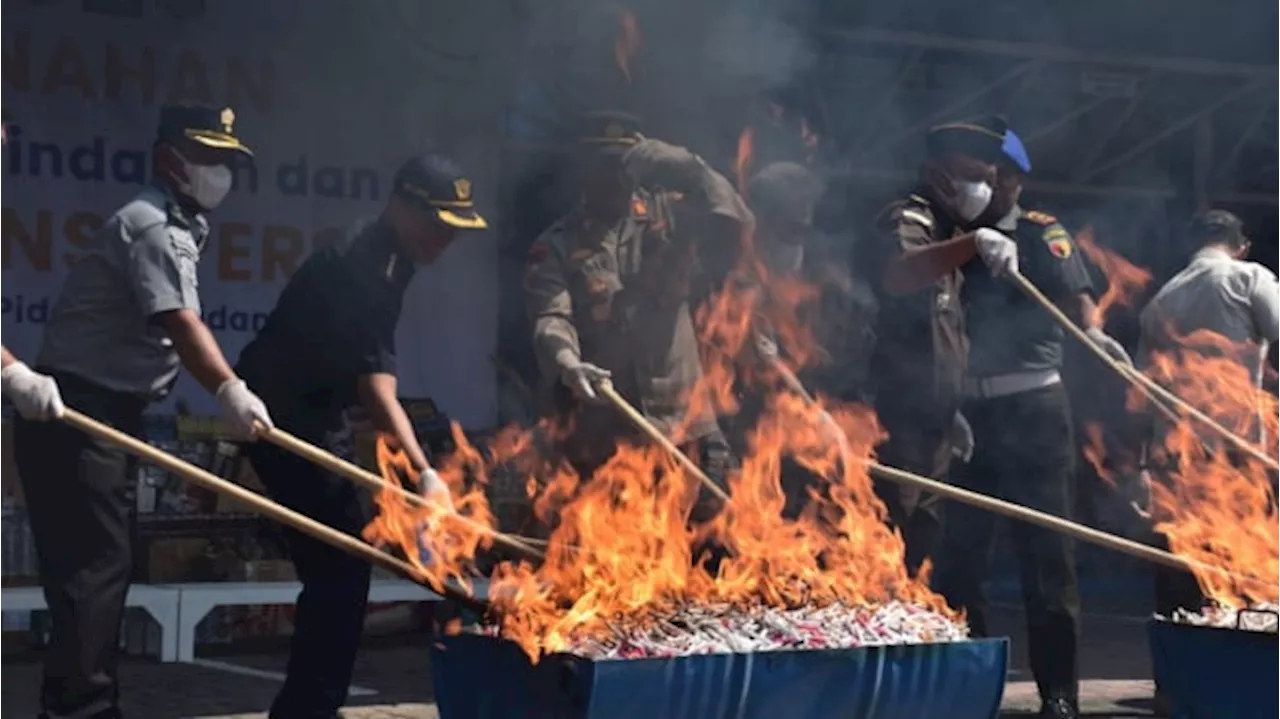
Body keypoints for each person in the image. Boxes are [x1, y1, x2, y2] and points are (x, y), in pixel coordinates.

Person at [11, 104, 272, 719]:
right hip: (75, 411)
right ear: (167, 158)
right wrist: (229, 389)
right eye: (207, 158)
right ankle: (81, 709)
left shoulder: (179, 224)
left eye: (228, 161)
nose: (220, 172)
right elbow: (180, 323)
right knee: (93, 573)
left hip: (107, 413)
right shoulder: (151, 225)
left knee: (102, 569)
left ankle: (83, 701)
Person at [233, 153, 482, 717]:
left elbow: (376, 378)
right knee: (340, 567)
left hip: (320, 413)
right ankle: (308, 711)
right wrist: (423, 476)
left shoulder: (397, 258)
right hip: (280, 415)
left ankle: (310, 707)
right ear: (401, 206)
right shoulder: (361, 264)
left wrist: (416, 470)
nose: (446, 239)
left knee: (343, 565)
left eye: (454, 230)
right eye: (439, 224)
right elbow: (377, 390)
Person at [929, 120, 1130, 719]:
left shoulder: (1041, 233)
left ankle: (1059, 696)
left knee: (1047, 557)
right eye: (983, 177)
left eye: (1002, 178)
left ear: (1015, 181)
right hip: (967, 411)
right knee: (960, 556)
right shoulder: (949, 232)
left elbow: (1076, 295)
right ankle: (969, 688)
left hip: (1032, 408)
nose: (994, 188)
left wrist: (1094, 331)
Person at [524, 111, 752, 513]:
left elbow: (736, 219)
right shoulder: (556, 245)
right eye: (604, 166)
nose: (616, 177)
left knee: (707, 555)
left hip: (685, 422)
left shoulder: (672, 215)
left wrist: (682, 164)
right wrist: (569, 364)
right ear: (583, 172)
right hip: (608, 430)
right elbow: (551, 318)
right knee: (612, 558)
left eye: (624, 164)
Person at [866, 118, 1016, 576]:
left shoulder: (948, 235)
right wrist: (974, 243)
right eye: (974, 177)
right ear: (938, 174)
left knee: (923, 547)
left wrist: (950, 408)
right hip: (892, 425)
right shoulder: (910, 217)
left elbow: (943, 335)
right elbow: (899, 274)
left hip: (933, 426)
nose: (985, 189)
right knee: (888, 542)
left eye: (990, 180)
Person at [1135, 209, 1280, 620]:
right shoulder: (1249, 277)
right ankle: (1248, 650)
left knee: (1184, 557)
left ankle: (1178, 658)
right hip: (1238, 447)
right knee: (1246, 559)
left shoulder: (1160, 299)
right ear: (1242, 247)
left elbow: (1141, 390)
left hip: (1176, 453)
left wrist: (1141, 465)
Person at [726, 161, 877, 514]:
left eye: (806, 222)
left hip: (812, 434)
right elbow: (764, 360)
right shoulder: (740, 281)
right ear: (762, 221)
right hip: (754, 431)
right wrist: (819, 420)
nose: (804, 227)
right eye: (792, 225)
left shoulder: (817, 276)